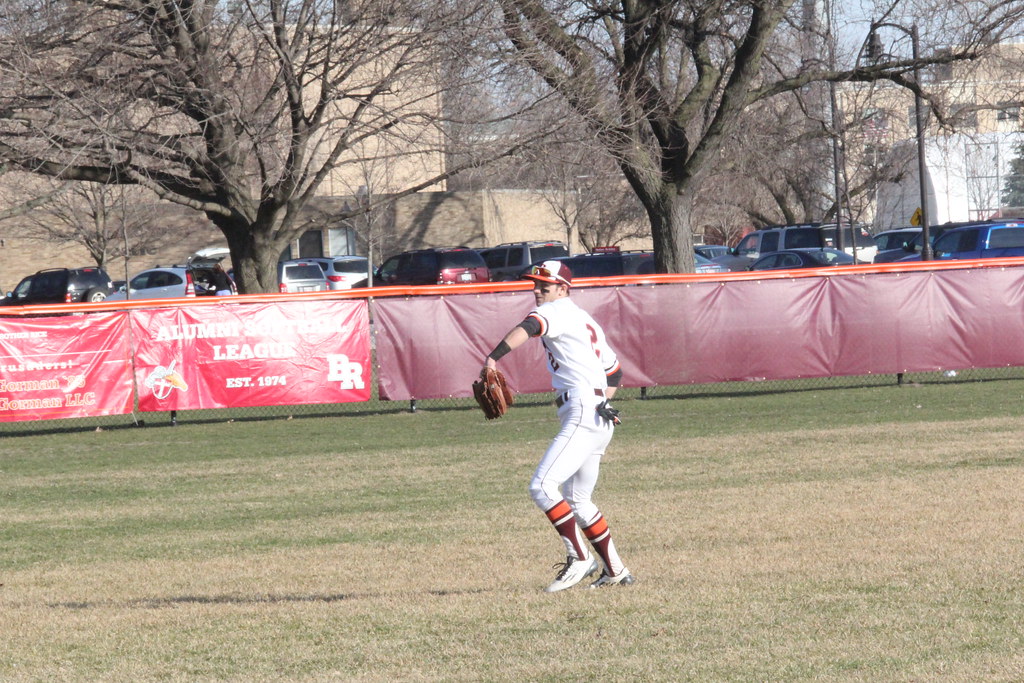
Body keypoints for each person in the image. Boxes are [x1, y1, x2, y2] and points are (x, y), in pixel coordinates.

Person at [482, 260, 633, 592]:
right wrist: (604, 401)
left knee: (542, 486)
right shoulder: (584, 318)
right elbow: (615, 373)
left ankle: (579, 557)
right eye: (535, 285)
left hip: (581, 409)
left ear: (563, 288)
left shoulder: (559, 310)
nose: (537, 290)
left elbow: (529, 326)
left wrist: (494, 358)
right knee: (578, 499)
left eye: (544, 286)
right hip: (597, 413)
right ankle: (616, 570)